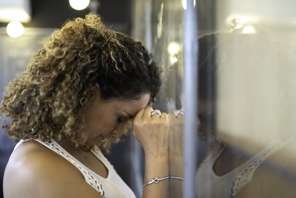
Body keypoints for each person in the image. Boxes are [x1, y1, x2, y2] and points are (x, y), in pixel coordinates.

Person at [0, 14, 171, 198]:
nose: (119, 131)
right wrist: (157, 156)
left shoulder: (80, 145)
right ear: (88, 94)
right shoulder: (36, 166)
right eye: (120, 117)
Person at [167, 28, 296, 198]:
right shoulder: (223, 145)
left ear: (251, 98)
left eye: (210, 117)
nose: (202, 128)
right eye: (193, 116)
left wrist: (172, 157)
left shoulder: (282, 163)